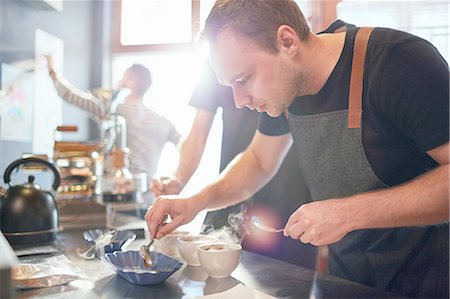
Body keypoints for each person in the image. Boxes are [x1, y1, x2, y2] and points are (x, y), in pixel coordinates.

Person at [145, 0, 449, 297]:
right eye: (230, 86)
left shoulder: (398, 61)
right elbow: (259, 161)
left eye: (244, 79)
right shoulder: (288, 87)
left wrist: (348, 213)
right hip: (345, 282)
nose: (239, 100)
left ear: (287, 41)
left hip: (427, 279)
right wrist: (196, 201)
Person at [151, 62, 317, 268]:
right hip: (229, 191)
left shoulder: (289, 62)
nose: (241, 100)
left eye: (244, 79)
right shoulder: (216, 63)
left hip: (290, 197)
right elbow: (197, 135)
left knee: (289, 282)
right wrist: (179, 179)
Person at [45, 56, 181, 205]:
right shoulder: (162, 122)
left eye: (123, 78)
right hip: (150, 200)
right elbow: (185, 144)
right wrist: (175, 177)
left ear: (132, 83)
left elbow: (69, 95)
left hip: (120, 197)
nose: (118, 83)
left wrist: (53, 72)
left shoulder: (114, 109)